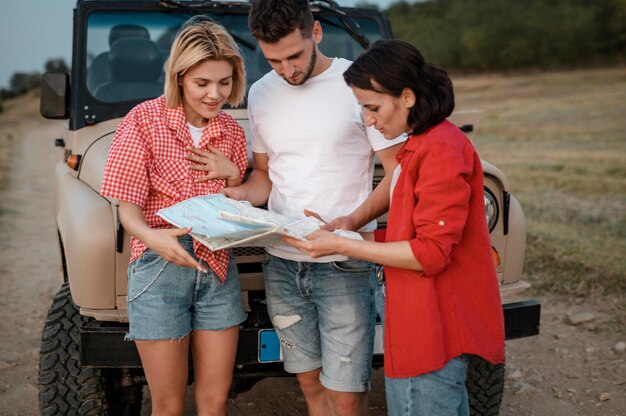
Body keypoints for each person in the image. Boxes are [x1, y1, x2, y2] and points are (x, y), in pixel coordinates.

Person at [194, 1, 404, 414]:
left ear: (317, 33)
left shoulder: (357, 84)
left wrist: (350, 222)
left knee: (346, 392)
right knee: (308, 382)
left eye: (295, 56)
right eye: (274, 60)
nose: (287, 69)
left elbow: (399, 172)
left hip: (344, 260)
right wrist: (235, 194)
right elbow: (265, 178)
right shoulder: (261, 93)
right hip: (283, 263)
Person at [283, 39, 506, 416]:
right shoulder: (420, 145)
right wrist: (346, 234)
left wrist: (347, 246)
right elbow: (409, 237)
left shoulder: (441, 151)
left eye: (373, 108)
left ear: (406, 96)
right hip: (416, 323)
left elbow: (430, 253)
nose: (369, 120)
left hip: (434, 330)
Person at [100, 16, 248, 415]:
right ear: (179, 76)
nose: (215, 94)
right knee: (167, 405)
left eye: (225, 81)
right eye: (203, 83)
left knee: (214, 403)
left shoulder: (232, 131)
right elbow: (125, 205)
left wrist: (235, 176)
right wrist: (152, 237)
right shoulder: (143, 121)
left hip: (218, 267)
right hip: (159, 264)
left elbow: (237, 200)